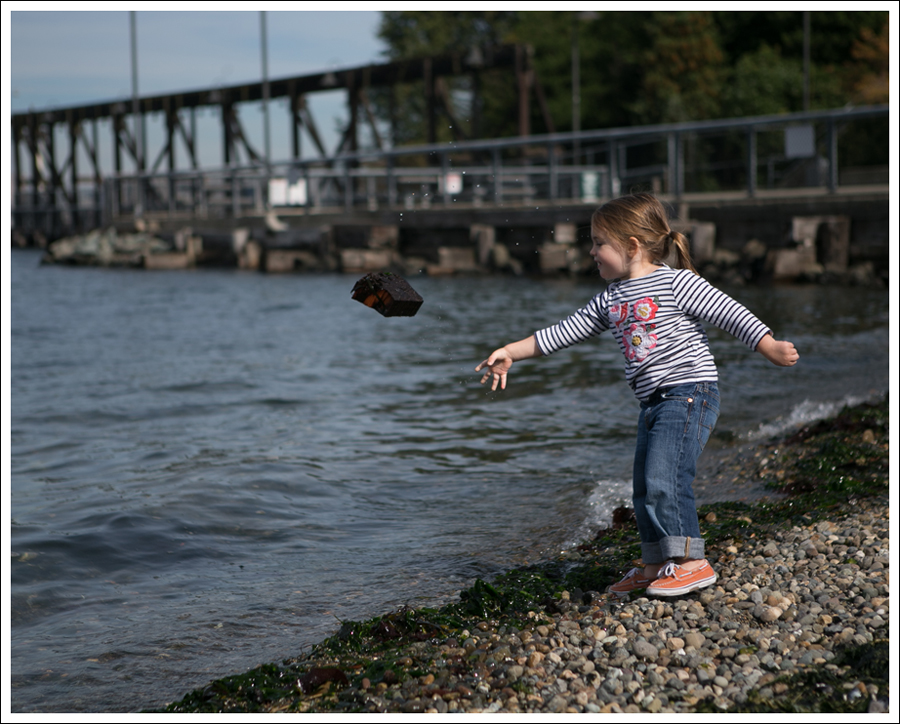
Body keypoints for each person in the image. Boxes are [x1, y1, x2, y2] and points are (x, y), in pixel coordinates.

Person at [475, 193, 799, 598]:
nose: (590, 251)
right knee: (644, 488)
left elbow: (727, 311)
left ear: (631, 246)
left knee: (666, 478)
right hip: (653, 403)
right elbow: (559, 333)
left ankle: (692, 562)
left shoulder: (676, 282)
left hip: (689, 394)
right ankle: (654, 565)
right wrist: (510, 352)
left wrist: (767, 345)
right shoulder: (610, 299)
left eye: (598, 243)